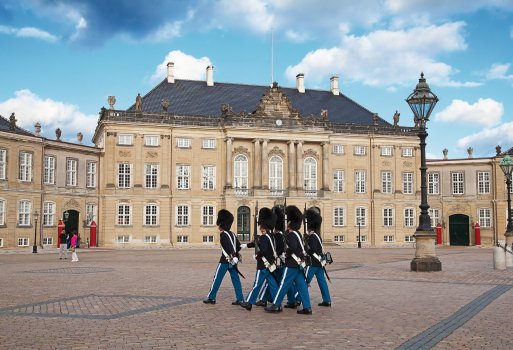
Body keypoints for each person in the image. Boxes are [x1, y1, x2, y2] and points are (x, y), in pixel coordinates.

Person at [265, 205, 312, 315]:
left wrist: (287, 253)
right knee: (302, 286)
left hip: (291, 264)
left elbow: (293, 247)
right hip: (298, 264)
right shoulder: (297, 233)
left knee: (283, 284)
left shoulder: (291, 235)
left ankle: (276, 304)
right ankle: (307, 307)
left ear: (290, 222)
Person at [240, 207, 279, 311]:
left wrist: (257, 256)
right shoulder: (271, 236)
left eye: (261, 225)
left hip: (263, 264)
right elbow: (257, 243)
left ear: (263, 227)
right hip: (270, 264)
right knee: (272, 284)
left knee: (257, 284)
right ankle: (277, 303)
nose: (260, 227)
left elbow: (263, 250)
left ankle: (249, 302)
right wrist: (246, 246)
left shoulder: (264, 237)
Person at [204, 209, 244, 305]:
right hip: (233, 262)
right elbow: (238, 246)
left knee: (217, 279)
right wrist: (235, 256)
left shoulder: (223, 235)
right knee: (236, 280)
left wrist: (232, 255)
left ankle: (211, 297)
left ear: (221, 223)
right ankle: (240, 298)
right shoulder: (232, 234)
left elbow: (228, 246)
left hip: (225, 261)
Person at [304, 208, 331, 307]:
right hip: (319, 263)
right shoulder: (317, 236)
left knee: (304, 281)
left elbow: (313, 250)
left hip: (313, 263)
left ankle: (298, 299)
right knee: (322, 282)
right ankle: (327, 300)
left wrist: (305, 248)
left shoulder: (312, 237)